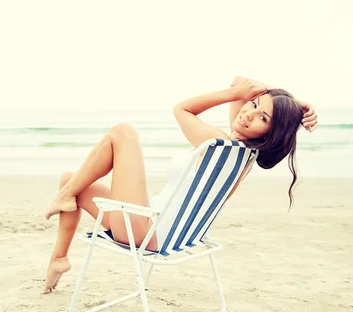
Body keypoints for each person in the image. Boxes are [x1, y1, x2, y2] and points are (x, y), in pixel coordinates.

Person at [42, 77, 318, 293]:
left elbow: (182, 108)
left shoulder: (220, 147)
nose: (248, 113)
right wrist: (291, 103)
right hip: (151, 223)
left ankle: (64, 197)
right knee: (71, 179)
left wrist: (243, 96)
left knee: (123, 133)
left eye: (263, 118)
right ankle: (59, 258)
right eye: (254, 105)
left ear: (272, 133)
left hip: (146, 231)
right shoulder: (240, 154)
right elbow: (240, 81)